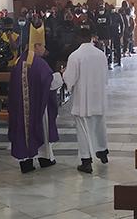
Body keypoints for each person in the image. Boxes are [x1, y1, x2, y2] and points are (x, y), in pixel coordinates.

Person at [8, 42, 61, 173]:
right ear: (35, 46)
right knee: (41, 129)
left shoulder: (17, 62)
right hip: (38, 107)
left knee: (23, 130)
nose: (44, 49)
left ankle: (26, 163)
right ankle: (44, 160)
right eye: (42, 46)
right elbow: (50, 83)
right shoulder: (39, 63)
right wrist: (61, 75)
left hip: (21, 108)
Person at [63, 28, 109, 174]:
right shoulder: (101, 54)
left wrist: (64, 74)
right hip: (98, 97)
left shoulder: (75, 56)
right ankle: (102, 152)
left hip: (83, 99)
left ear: (78, 38)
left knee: (83, 130)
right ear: (91, 38)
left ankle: (86, 161)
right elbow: (106, 76)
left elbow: (70, 78)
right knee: (99, 126)